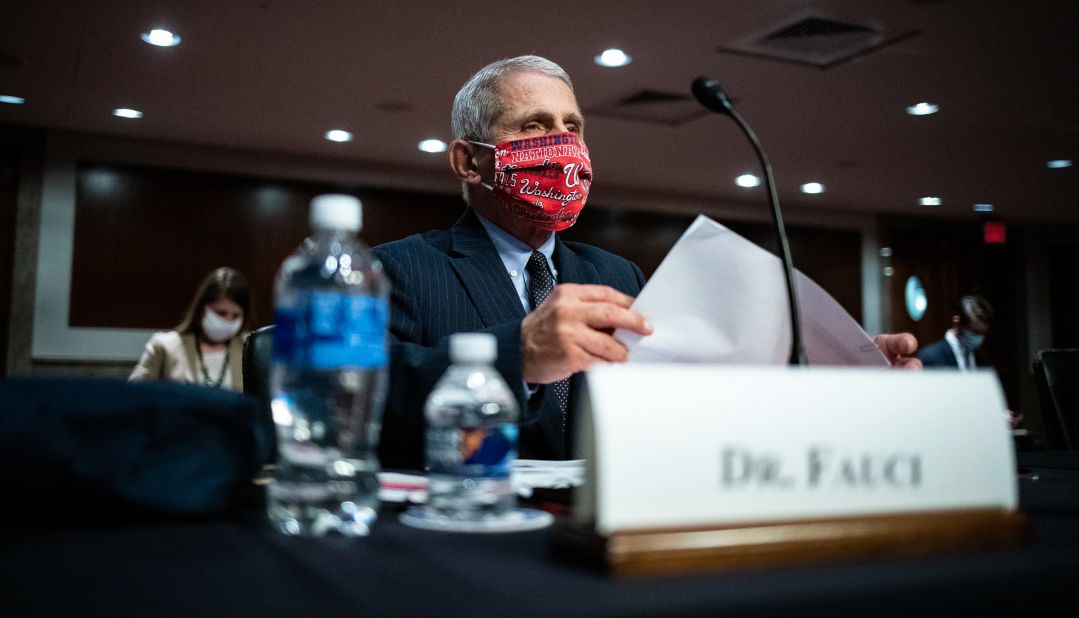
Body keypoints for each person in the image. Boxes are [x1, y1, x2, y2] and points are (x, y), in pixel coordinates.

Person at [372, 56, 920, 469]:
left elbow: (682, 404)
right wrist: (517, 355)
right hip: (466, 539)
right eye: (535, 127)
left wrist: (841, 371)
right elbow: (357, 398)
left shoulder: (615, 275)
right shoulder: (398, 270)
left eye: (574, 127)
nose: (563, 145)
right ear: (470, 161)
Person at [129, 267, 251, 391]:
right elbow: (134, 395)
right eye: (221, 313)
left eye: (235, 316)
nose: (228, 321)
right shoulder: (165, 346)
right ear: (202, 309)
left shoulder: (251, 350)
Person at [916, 295, 994, 371]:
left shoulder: (982, 359)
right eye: (975, 332)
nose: (979, 338)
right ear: (957, 323)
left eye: (982, 333)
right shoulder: (930, 357)